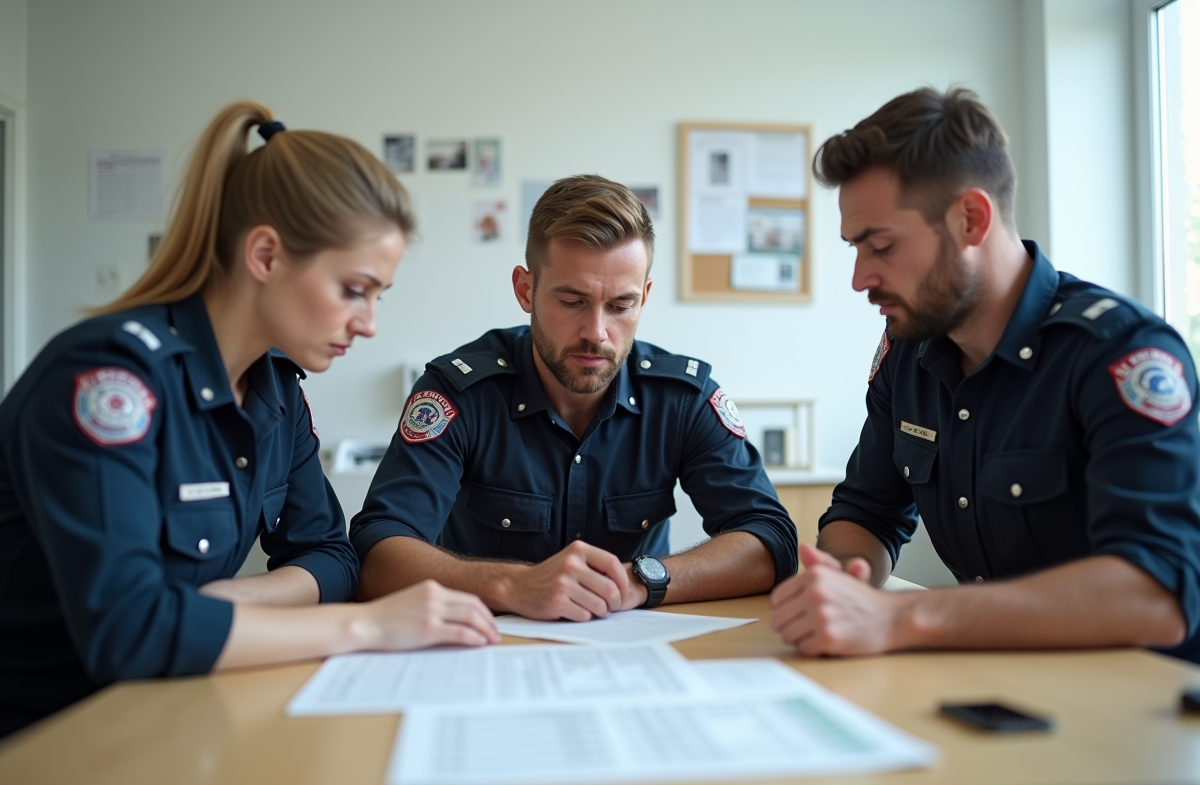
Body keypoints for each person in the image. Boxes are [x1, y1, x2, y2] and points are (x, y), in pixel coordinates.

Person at [0, 101, 498, 738]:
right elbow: (127, 630)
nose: (369, 323)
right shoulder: (107, 380)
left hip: (167, 708)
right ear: (265, 255)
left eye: (379, 295)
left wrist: (220, 603)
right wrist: (369, 626)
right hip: (49, 732)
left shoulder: (274, 390)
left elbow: (330, 556)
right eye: (353, 289)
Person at [769, 87, 1200, 662]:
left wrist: (899, 614)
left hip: (1135, 703)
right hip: (993, 678)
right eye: (855, 248)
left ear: (970, 218)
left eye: (881, 246)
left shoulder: (1118, 352)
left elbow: (1157, 596)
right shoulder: (909, 350)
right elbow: (866, 512)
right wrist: (845, 585)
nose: (859, 278)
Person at [352, 175, 797, 620]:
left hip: (635, 651)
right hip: (485, 648)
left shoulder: (682, 399)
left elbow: (769, 539)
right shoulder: (459, 393)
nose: (597, 333)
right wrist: (515, 585)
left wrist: (636, 583)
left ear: (644, 297)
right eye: (572, 301)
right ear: (526, 290)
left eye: (621, 306)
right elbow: (378, 554)